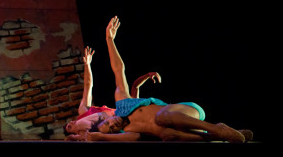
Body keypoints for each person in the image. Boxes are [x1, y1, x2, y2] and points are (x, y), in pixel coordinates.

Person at [82, 16, 252, 142]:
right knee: (166, 135)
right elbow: (132, 138)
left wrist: (110, 40)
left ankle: (218, 128)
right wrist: (100, 137)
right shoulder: (129, 130)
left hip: (187, 112)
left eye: (109, 123)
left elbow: (119, 70)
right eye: (111, 130)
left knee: (161, 118)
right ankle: (217, 136)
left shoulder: (122, 102)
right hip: (183, 129)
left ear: (107, 117)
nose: (113, 125)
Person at [64, 46, 161, 139]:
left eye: (70, 122)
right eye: (70, 126)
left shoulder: (121, 109)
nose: (73, 121)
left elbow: (88, 85)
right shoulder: (121, 128)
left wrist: (87, 64)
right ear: (76, 134)